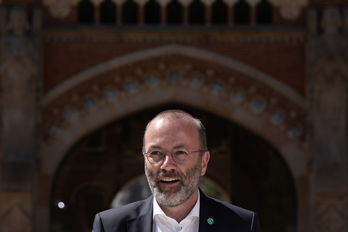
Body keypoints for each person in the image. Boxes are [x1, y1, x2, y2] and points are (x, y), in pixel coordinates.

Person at [93, 110, 262, 232]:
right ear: (145, 160)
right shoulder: (109, 226)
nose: (167, 165)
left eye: (180, 153)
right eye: (156, 153)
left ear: (203, 162)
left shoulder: (242, 225)